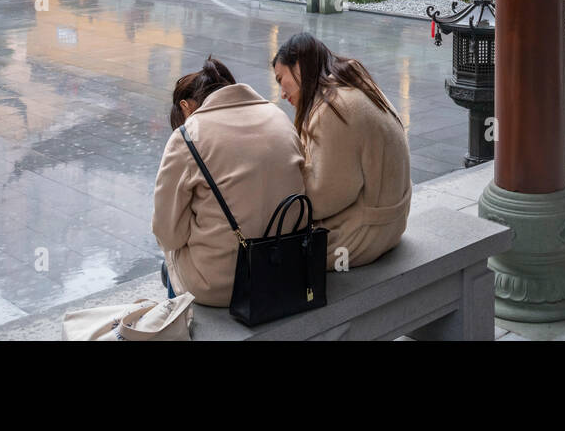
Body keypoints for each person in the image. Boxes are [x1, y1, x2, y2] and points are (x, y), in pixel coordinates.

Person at [152, 56, 305, 305]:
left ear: (185, 107)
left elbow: (169, 235)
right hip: (285, 267)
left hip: (220, 285)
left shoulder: (188, 135)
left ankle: (178, 319)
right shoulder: (280, 118)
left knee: (170, 255)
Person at [272, 34, 410, 272]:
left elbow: (325, 198)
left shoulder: (333, 109)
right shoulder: (352, 88)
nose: (282, 94)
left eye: (280, 79)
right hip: (392, 221)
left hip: (364, 234)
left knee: (273, 258)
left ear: (299, 66)